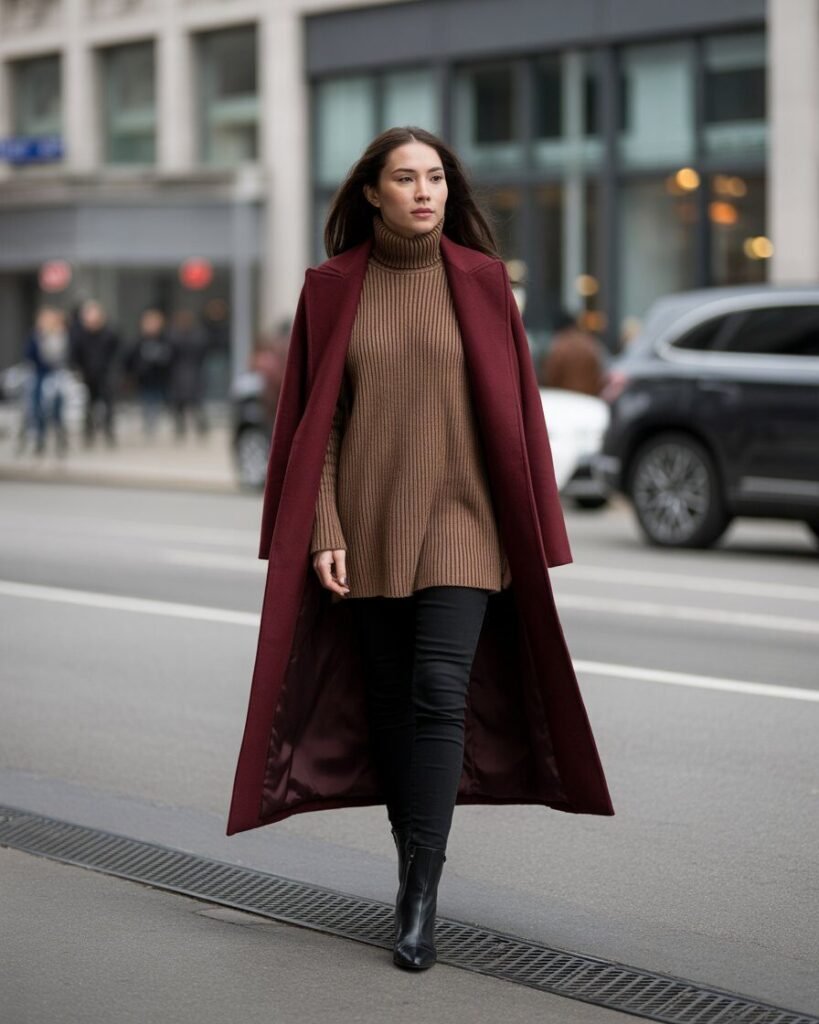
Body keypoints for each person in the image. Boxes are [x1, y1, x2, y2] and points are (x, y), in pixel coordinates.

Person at [226, 127, 614, 974]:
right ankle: (411, 864)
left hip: (467, 523)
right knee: (394, 702)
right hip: (366, 524)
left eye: (434, 177)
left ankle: (420, 897)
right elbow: (315, 427)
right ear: (372, 192)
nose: (423, 192)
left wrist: (529, 525)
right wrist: (323, 529)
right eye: (404, 178)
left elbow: (516, 417)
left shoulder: (481, 282)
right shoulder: (331, 289)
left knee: (440, 691)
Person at [21, 307, 71, 457]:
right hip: (39, 375)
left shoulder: (61, 336)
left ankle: (59, 438)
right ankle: (39, 439)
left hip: (56, 376)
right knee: (36, 408)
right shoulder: (35, 336)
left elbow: (64, 356)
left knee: (57, 408)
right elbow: (28, 355)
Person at [70, 299, 120, 447]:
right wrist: (77, 369)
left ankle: (108, 432)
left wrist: (113, 369)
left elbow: (116, 352)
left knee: (108, 405)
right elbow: (74, 354)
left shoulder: (109, 333)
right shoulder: (80, 335)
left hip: (105, 374)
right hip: (88, 374)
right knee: (88, 406)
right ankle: (89, 433)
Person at [126, 308, 173, 438]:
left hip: (159, 376)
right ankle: (148, 422)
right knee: (146, 399)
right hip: (144, 377)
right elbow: (130, 358)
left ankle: (153, 422)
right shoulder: (138, 340)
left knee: (156, 399)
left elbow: (171, 357)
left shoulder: (165, 339)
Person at [539, 309, 606, 396]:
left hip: (564, 399)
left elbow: (550, 375)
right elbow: (599, 375)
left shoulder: (559, 346)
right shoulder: (591, 344)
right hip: (588, 400)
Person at [167, 309, 209, 439]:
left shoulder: (196, 335)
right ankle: (181, 427)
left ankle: (199, 426)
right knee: (180, 404)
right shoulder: (174, 335)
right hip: (179, 372)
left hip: (192, 371)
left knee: (195, 403)